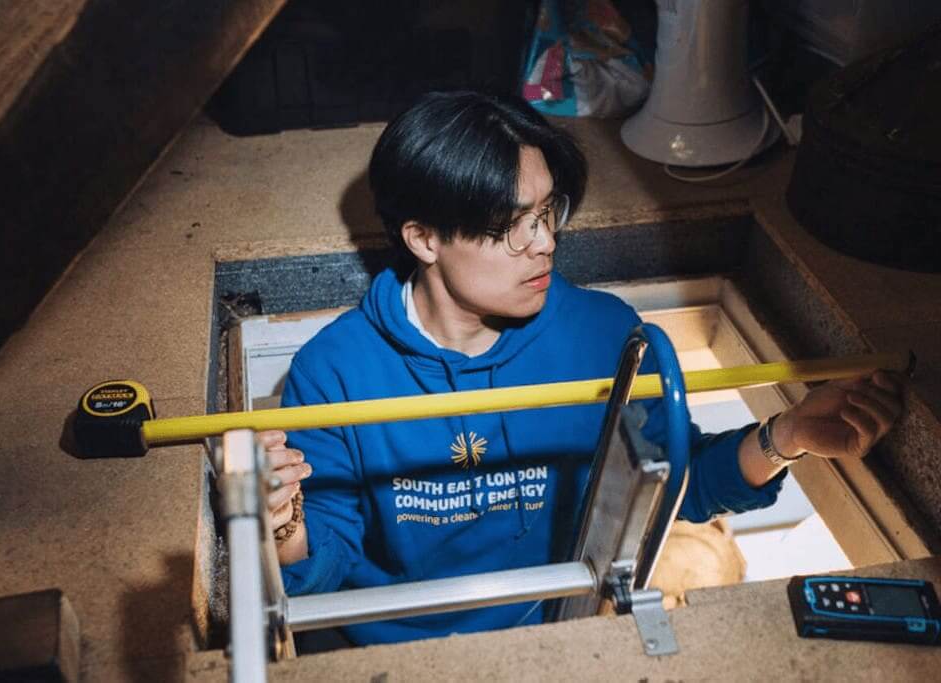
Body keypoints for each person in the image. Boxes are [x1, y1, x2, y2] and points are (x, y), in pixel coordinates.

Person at [258, 91, 905, 647]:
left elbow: (673, 485)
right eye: (512, 225)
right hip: (407, 653)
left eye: (547, 213)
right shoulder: (335, 370)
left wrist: (784, 437)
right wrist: (282, 513)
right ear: (424, 238)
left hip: (562, 631)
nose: (544, 243)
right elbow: (322, 566)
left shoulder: (602, 334)